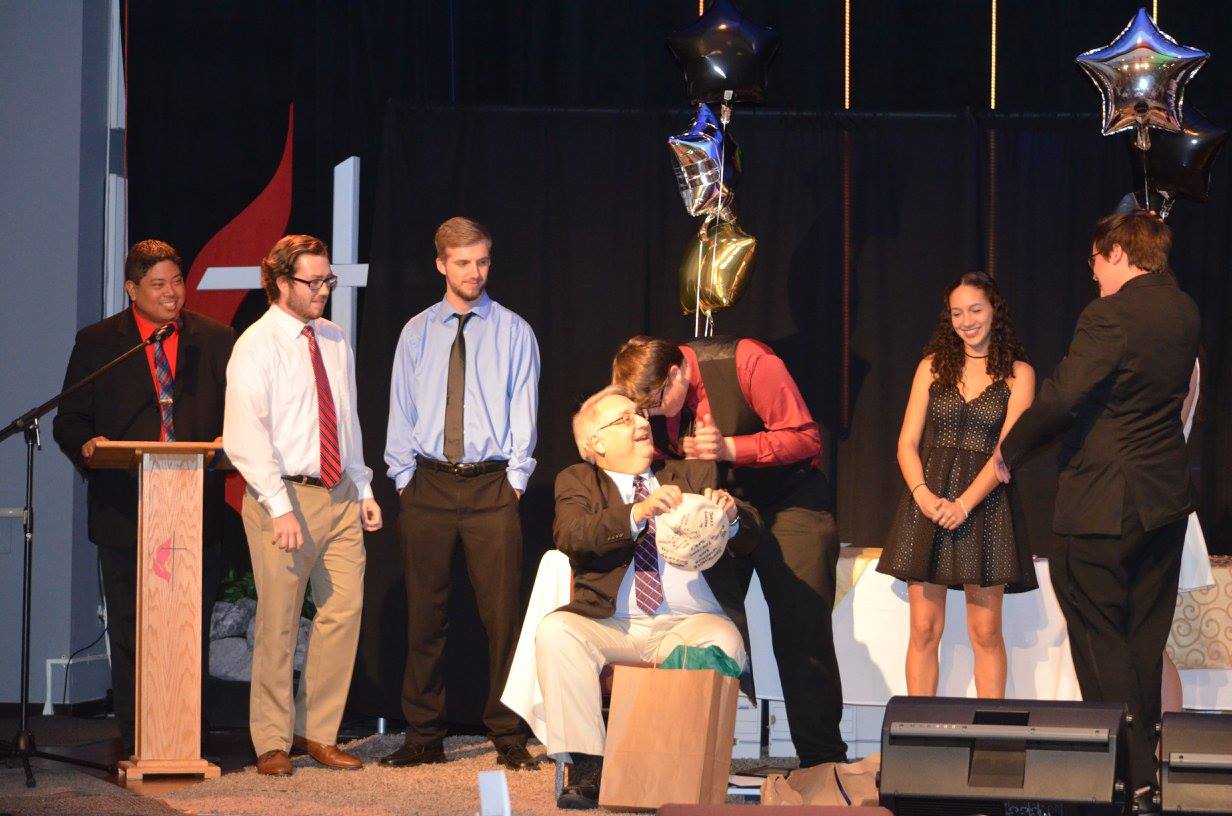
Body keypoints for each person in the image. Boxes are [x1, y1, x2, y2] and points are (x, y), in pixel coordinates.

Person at [995, 210, 1200, 792]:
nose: (1092, 274)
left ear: (1117, 253)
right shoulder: (1184, 310)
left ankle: (1126, 777)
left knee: (1098, 630)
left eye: (1095, 261)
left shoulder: (1109, 314)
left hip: (1104, 501)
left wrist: (1010, 450)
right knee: (1143, 638)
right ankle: (1146, 775)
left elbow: (1064, 396)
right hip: (1164, 501)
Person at [611, 335, 847, 767]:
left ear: (675, 374)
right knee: (704, 621)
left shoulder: (748, 362)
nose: (652, 415)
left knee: (801, 628)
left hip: (789, 502)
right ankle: (690, 760)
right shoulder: (655, 399)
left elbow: (806, 438)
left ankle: (822, 762)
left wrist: (730, 449)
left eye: (656, 403)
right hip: (717, 507)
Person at [52, 239, 234, 753]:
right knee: (132, 630)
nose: (172, 293)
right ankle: (138, 737)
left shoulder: (215, 338)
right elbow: (70, 420)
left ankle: (188, 738)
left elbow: (240, 411)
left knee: (189, 628)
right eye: (158, 285)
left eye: (177, 281)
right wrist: (88, 445)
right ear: (132, 289)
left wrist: (231, 439)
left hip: (196, 509)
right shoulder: (98, 342)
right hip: (124, 511)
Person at [539, 386, 752, 810]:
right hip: (613, 623)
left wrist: (732, 518)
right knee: (557, 631)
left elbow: (754, 532)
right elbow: (573, 536)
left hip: (689, 622)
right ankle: (588, 766)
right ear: (597, 443)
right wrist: (637, 512)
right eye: (625, 419)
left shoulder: (689, 472)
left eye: (640, 415)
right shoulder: (577, 480)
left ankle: (675, 765)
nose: (641, 422)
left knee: (724, 642)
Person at [382, 217, 541, 771]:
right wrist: (403, 478)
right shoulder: (417, 331)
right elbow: (401, 408)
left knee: (502, 615)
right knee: (425, 614)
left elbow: (524, 409)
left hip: (492, 485)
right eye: (464, 262)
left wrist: (515, 481)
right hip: (427, 483)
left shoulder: (514, 331)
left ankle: (508, 732)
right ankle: (424, 733)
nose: (476, 272)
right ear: (441, 265)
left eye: (483, 261)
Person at [224, 234, 383, 776]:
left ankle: (318, 732)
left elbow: (347, 419)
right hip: (285, 495)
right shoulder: (256, 344)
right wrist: (279, 506)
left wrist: (363, 488)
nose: (323, 290)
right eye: (312, 281)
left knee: (343, 612)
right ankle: (271, 741)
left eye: (327, 280)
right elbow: (245, 436)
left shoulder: (333, 338)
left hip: (339, 492)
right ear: (279, 282)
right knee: (279, 620)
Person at [877, 271, 1036, 698]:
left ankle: (990, 732)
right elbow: (906, 443)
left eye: (975, 310)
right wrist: (922, 495)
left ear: (994, 310)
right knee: (924, 629)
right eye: (957, 313)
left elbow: (1007, 453)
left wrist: (964, 504)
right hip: (928, 504)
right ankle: (917, 730)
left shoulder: (1019, 374)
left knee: (986, 631)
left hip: (986, 507)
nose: (967, 321)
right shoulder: (931, 366)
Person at [1162, 357, 1213, 713]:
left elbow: (1166, 430)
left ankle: (1166, 735)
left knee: (1148, 641)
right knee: (1135, 639)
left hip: (1159, 505)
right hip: (1134, 503)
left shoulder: (1180, 356)